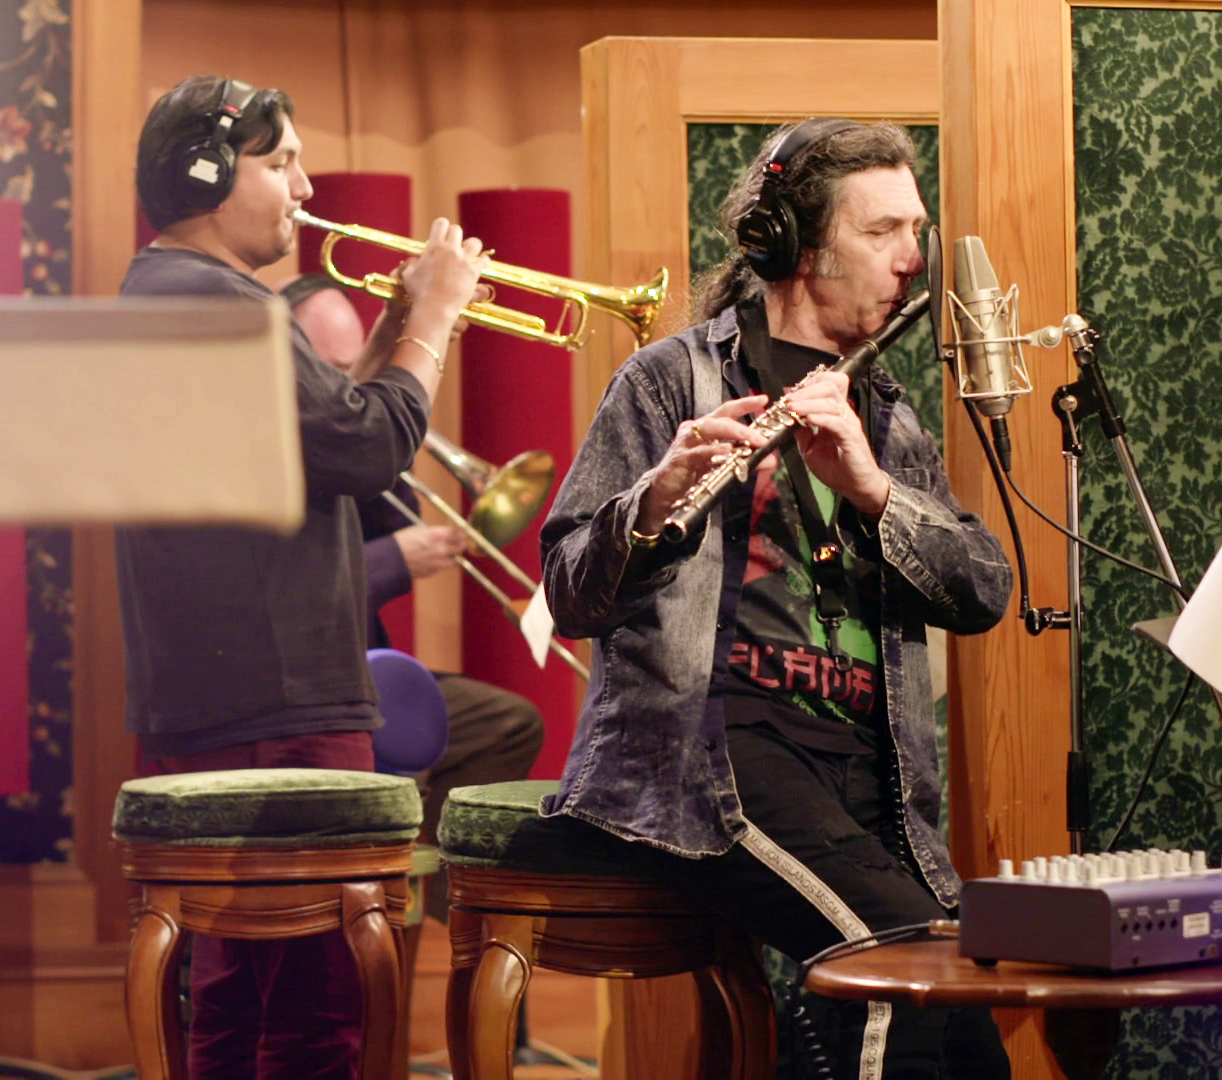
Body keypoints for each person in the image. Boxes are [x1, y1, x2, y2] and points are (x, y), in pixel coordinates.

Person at [537, 119, 1015, 1080]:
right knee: (898, 972)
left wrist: (874, 490)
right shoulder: (669, 381)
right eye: (882, 232)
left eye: (916, 232)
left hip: (866, 773)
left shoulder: (886, 417)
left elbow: (984, 590)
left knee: (968, 1018)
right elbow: (569, 593)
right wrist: (654, 502)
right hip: (713, 757)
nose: (912, 259)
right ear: (793, 243)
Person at [117, 74, 484, 1079]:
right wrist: (435, 315)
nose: (305, 188)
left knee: (236, 995)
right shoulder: (221, 304)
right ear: (207, 176)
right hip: (280, 704)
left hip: (224, 702)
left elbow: (319, 441)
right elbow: (369, 452)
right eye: (280, 163)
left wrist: (390, 332)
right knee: (321, 1004)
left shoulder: (168, 293)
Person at [280, 274, 546, 917]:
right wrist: (397, 559)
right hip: (304, 687)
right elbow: (294, 594)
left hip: (365, 672)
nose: (347, 387)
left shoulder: (341, 441)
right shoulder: (274, 453)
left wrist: (386, 432)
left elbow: (395, 519)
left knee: (508, 724)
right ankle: (385, 905)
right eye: (333, 372)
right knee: (406, 741)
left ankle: (453, 915)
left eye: (355, 367)